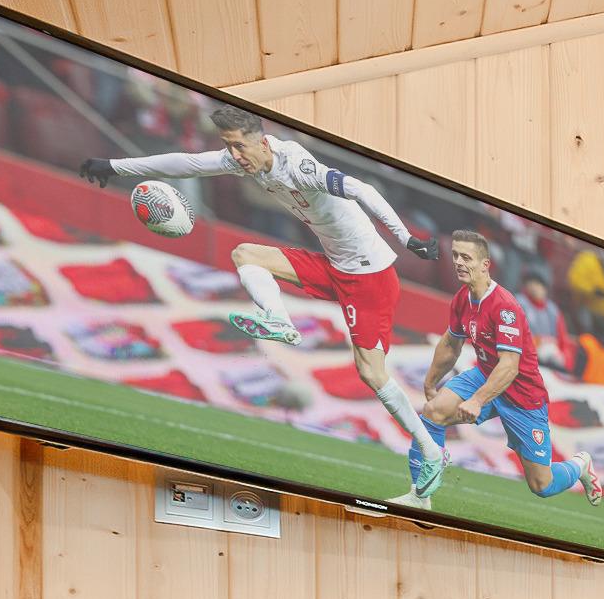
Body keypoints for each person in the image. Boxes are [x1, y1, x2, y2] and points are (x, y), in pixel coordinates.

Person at [78, 106, 449, 507]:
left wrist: (407, 239)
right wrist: (114, 166)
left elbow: (362, 189)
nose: (234, 155)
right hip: (334, 263)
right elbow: (186, 163)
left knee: (371, 372)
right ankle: (278, 319)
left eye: (239, 146)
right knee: (245, 254)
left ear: (261, 141)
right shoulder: (242, 160)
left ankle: (430, 452)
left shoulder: (299, 166)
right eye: (228, 146)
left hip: (368, 275)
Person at [410, 230, 602, 507]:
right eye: (455, 256)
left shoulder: (505, 307)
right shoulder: (463, 298)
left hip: (521, 394)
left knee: (542, 485)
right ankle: (420, 496)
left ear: (485, 264)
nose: (459, 262)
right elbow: (451, 343)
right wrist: (430, 382)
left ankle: (580, 465)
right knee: (432, 411)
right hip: (485, 375)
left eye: (467, 257)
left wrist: (477, 401)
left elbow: (510, 367)